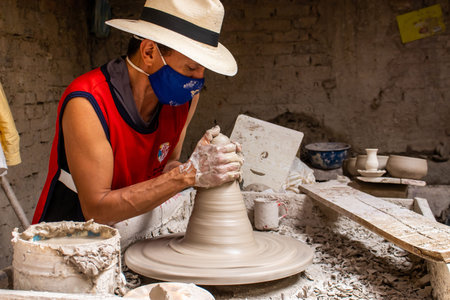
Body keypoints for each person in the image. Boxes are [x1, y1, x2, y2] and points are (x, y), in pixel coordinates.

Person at [32, 0, 243, 225]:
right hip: (72, 237)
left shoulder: (185, 99)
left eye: (203, 69)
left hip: (135, 225)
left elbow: (166, 167)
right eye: (191, 68)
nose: (198, 80)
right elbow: (97, 211)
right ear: (149, 51)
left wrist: (199, 166)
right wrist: (187, 174)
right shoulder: (88, 102)